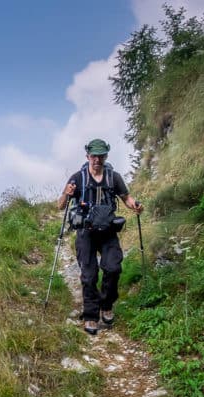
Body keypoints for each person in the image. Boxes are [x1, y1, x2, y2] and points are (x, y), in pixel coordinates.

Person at [57, 138, 144, 335]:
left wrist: (136, 206)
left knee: (113, 268)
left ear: (105, 156)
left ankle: (106, 305)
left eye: (100, 156)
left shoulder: (114, 177)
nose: (97, 159)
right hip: (85, 232)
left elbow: (126, 197)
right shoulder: (77, 178)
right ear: (87, 156)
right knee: (89, 276)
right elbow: (60, 205)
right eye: (94, 156)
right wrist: (66, 193)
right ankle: (90, 316)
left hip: (108, 231)